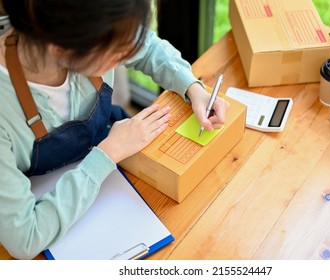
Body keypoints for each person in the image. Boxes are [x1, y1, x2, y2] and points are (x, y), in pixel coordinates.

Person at [0, 0, 229, 259]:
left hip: (118, 156)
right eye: (115, 53)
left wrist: (192, 87)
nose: (126, 54)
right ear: (61, 51)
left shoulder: (88, 30)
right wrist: (107, 153)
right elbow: (25, 239)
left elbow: (146, 47)